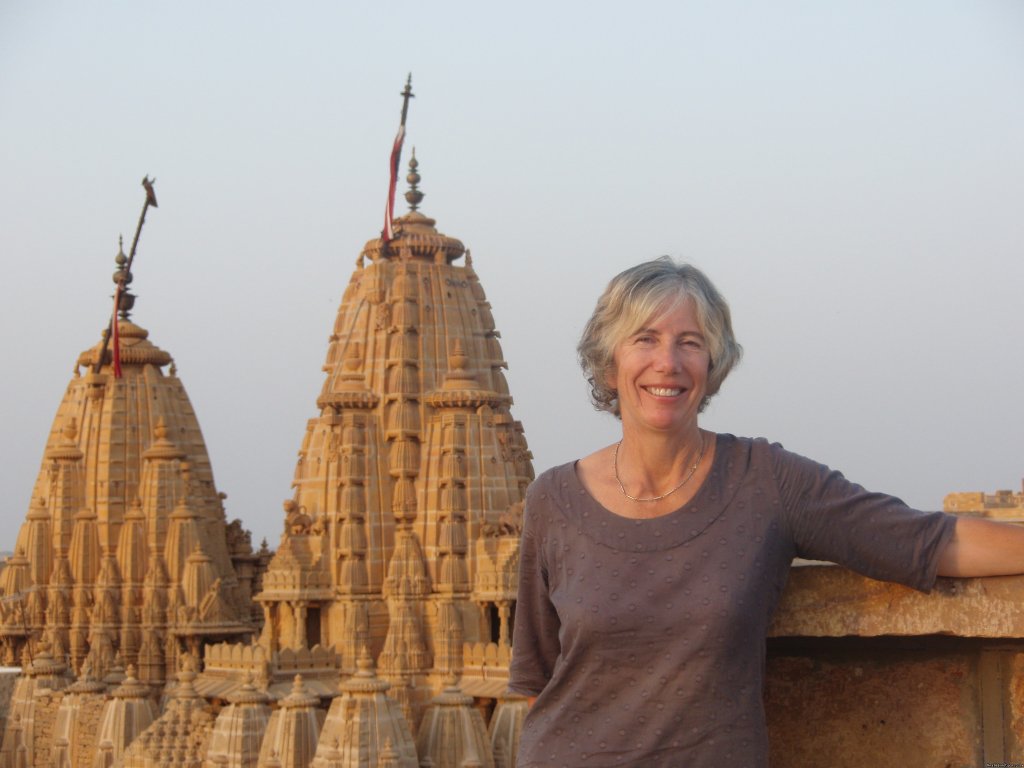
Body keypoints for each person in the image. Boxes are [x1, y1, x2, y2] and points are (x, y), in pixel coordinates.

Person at [508, 257, 1024, 767]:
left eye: (690, 342)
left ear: (712, 365)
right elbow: (537, 677)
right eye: (644, 338)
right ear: (609, 361)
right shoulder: (554, 499)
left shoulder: (765, 481)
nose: (667, 362)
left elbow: (926, 541)